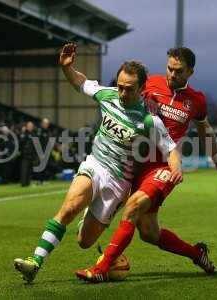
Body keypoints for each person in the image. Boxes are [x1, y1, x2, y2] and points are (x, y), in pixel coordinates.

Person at [13, 43, 182, 283]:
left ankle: (90, 219)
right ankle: (35, 262)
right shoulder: (107, 95)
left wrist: (176, 169)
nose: (122, 94)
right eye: (120, 87)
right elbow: (81, 83)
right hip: (96, 165)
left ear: (142, 88)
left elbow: (171, 149)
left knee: (84, 242)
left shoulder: (149, 120)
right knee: (68, 208)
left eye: (129, 89)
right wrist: (67, 68)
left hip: (119, 183)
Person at [76, 47, 217, 282]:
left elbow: (205, 129)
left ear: (191, 72)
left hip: (165, 167)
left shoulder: (196, 100)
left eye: (179, 71)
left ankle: (101, 269)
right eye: (169, 69)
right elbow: (120, 95)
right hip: (136, 165)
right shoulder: (149, 83)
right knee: (149, 233)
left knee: (132, 207)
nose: (172, 75)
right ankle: (197, 254)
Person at [19, 121, 36, 187]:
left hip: (31, 154)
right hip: (25, 154)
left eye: (31, 126)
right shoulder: (24, 134)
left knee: (29, 169)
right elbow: (21, 143)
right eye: (29, 126)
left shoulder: (33, 134)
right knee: (24, 169)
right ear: (26, 126)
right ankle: (23, 183)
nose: (30, 127)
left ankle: (28, 182)